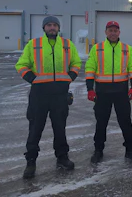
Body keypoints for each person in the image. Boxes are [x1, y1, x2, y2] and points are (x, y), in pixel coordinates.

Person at [15, 16, 81, 179]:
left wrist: (70, 77)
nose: (52, 28)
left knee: (60, 128)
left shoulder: (67, 44)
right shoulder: (34, 44)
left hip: (60, 94)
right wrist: (33, 79)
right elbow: (21, 65)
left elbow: (76, 63)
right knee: (35, 129)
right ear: (44, 28)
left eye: (55, 25)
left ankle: (62, 157)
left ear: (58, 28)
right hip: (39, 95)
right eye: (49, 25)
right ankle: (31, 161)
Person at [85, 21, 132, 164]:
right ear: (105, 32)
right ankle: (98, 150)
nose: (113, 33)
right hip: (102, 93)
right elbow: (90, 68)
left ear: (119, 32)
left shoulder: (127, 49)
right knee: (101, 123)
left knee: (125, 122)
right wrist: (90, 89)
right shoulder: (97, 49)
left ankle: (130, 150)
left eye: (115, 30)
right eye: (110, 30)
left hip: (121, 92)